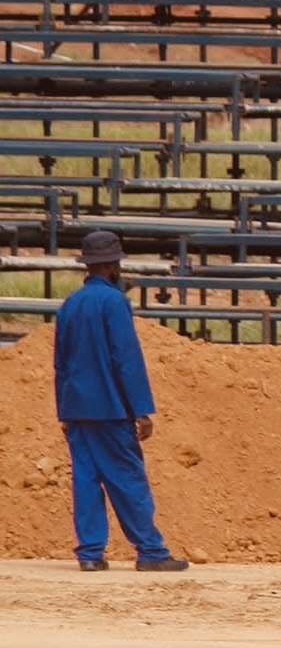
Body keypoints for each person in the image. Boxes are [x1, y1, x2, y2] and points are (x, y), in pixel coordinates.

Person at [53, 230, 189, 573]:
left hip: (77, 408)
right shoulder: (114, 302)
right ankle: (150, 551)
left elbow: (61, 362)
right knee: (127, 477)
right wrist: (141, 410)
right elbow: (125, 359)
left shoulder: (69, 304)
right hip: (110, 408)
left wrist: (63, 409)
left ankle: (90, 554)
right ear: (113, 265)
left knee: (85, 479)